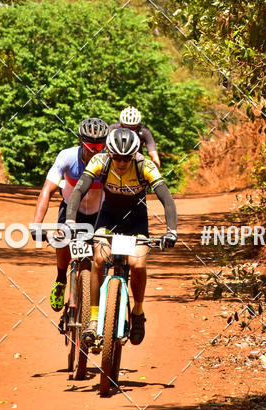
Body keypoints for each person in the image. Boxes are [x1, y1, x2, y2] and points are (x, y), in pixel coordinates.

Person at [65, 126, 177, 347]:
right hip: (108, 218)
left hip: (136, 220)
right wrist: (70, 221)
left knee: (137, 265)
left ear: (134, 154)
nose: (122, 162)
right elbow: (78, 191)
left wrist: (171, 230)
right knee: (98, 259)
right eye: (117, 157)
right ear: (110, 153)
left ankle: (137, 311)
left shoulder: (145, 166)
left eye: (126, 158)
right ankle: (94, 318)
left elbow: (167, 199)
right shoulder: (100, 161)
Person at [32, 117, 109, 311]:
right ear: (80, 142)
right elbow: (46, 191)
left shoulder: (109, 162)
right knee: (62, 240)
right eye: (90, 145)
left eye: (99, 147)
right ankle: (60, 279)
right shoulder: (66, 157)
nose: (93, 151)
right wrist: (36, 224)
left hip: (99, 213)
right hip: (70, 209)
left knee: (103, 254)